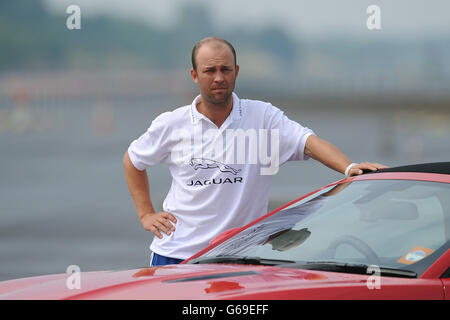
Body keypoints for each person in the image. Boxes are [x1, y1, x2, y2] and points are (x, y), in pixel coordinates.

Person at [123, 37, 387, 267]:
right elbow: (133, 160)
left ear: (236, 71)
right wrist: (146, 213)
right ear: (194, 75)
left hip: (240, 255)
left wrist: (349, 168)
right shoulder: (172, 123)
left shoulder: (262, 116)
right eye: (209, 70)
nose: (218, 78)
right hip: (177, 254)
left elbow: (308, 142)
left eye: (225, 69)